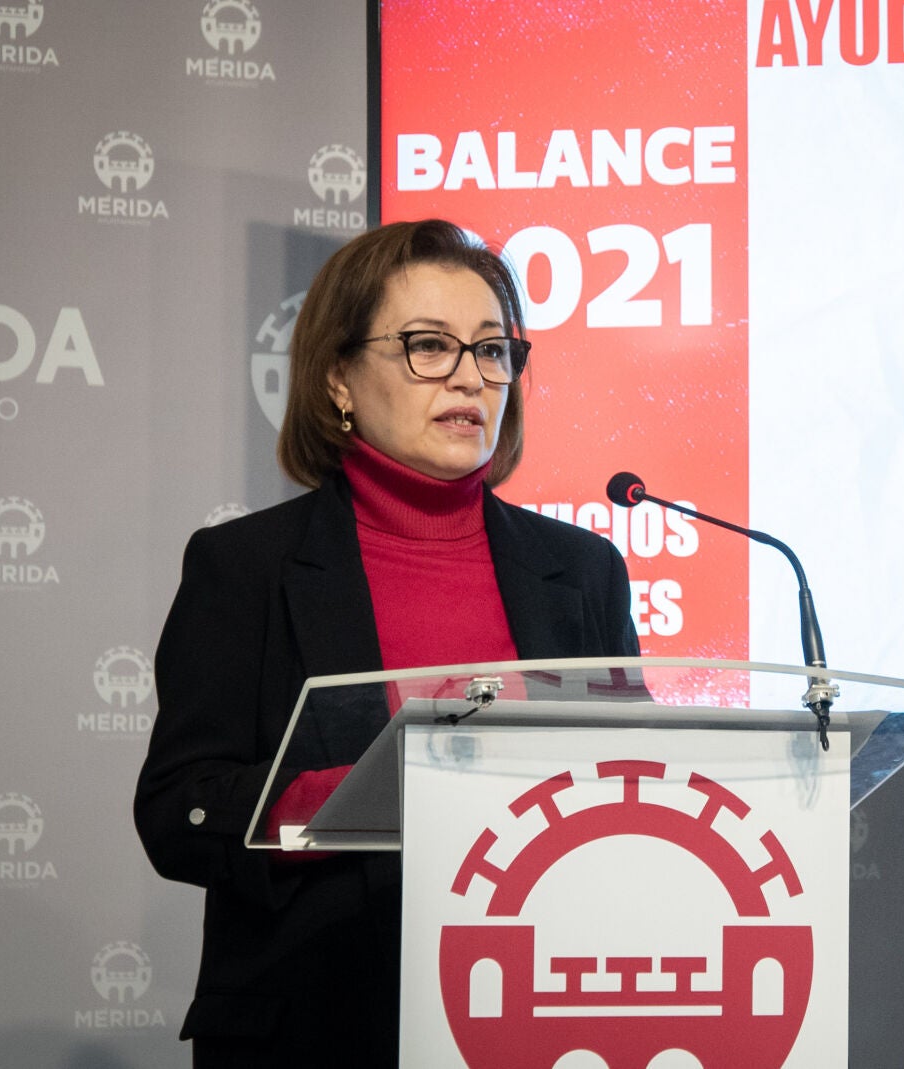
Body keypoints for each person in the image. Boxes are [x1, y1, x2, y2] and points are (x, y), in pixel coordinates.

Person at [132, 219, 640, 1067]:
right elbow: (177, 811)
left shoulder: (582, 571)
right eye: (428, 346)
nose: (470, 376)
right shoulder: (247, 567)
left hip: (545, 1016)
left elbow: (631, 788)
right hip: (320, 1028)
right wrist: (371, 796)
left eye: (492, 349)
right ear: (338, 377)